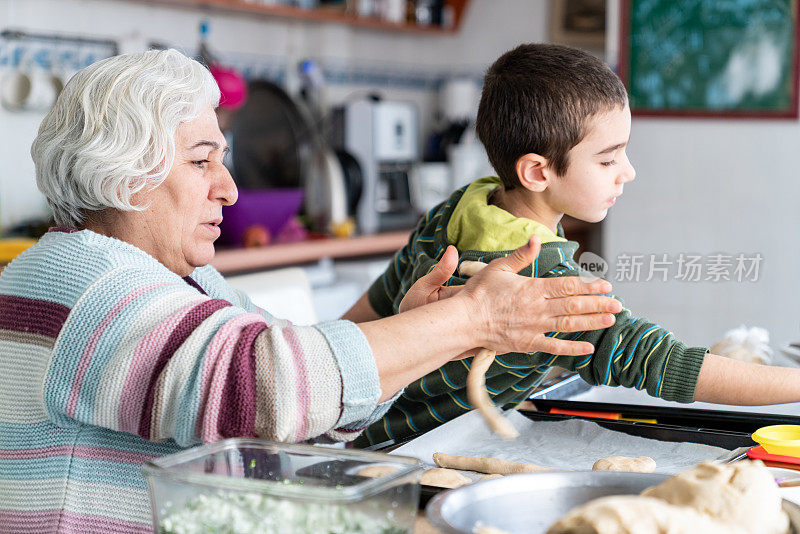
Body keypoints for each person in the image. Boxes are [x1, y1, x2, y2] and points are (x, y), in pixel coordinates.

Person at [0, 49, 620, 532]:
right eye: (200, 162)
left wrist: (418, 334)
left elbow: (298, 421)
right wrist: (467, 322)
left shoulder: (180, 278)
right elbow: (262, 391)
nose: (229, 190)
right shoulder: (82, 285)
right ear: (123, 175)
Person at [352, 43, 800, 447]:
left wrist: (329, 396)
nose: (628, 171)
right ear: (537, 172)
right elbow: (668, 364)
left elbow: (371, 310)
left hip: (358, 431)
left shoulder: (456, 207)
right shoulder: (545, 286)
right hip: (415, 463)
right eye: (607, 158)